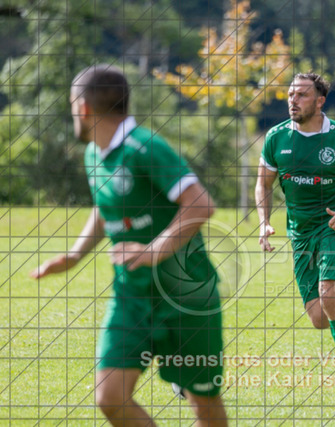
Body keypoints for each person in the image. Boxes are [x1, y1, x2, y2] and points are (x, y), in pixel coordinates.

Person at [30, 64, 227, 426]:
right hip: (131, 296)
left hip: (185, 298)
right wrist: (75, 254)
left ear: (83, 108)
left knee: (204, 403)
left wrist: (154, 250)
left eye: (72, 104)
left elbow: (201, 204)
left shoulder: (145, 147)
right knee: (110, 398)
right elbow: (106, 208)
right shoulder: (94, 154)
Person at [255, 72, 335, 392]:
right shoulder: (276, 138)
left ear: (320, 101)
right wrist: (264, 221)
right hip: (300, 232)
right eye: (290, 94)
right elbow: (263, 183)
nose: (293, 100)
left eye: (301, 95)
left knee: (329, 296)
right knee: (320, 317)